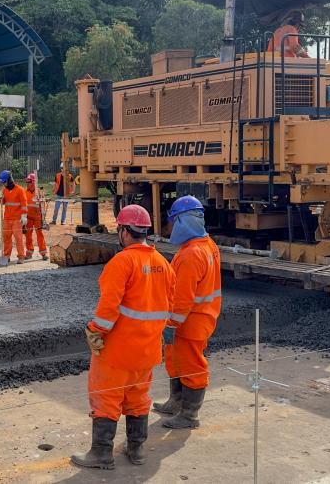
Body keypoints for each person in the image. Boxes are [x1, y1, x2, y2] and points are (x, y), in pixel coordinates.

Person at [71, 205, 175, 469]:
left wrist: (96, 331)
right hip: (148, 351)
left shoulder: (123, 262)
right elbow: (169, 305)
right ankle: (136, 450)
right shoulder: (163, 264)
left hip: (117, 350)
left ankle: (101, 454)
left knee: (106, 398)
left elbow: (109, 307)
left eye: (119, 229)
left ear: (125, 232)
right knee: (138, 399)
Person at [153, 195, 222, 429]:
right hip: (199, 317)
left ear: (182, 221)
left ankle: (189, 415)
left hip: (191, 322)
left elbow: (182, 299)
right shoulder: (207, 245)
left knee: (192, 365)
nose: (170, 226)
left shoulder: (191, 254)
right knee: (176, 360)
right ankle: (177, 401)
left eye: (173, 221)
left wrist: (170, 324)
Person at [0, 170, 27, 264]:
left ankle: (21, 256)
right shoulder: (5, 190)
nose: (4, 184)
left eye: (4, 182)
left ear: (9, 180)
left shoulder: (20, 190)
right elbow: (4, 202)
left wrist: (24, 216)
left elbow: (24, 204)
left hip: (17, 219)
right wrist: (1, 200)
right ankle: (6, 256)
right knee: (6, 238)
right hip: (7, 218)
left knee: (18, 238)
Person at [23, 173, 48, 260]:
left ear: (33, 182)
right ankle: (29, 253)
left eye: (29, 182)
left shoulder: (39, 192)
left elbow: (43, 205)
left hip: (38, 217)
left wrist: (43, 218)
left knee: (40, 234)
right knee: (28, 235)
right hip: (28, 217)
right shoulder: (24, 192)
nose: (27, 184)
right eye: (26, 182)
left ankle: (43, 253)